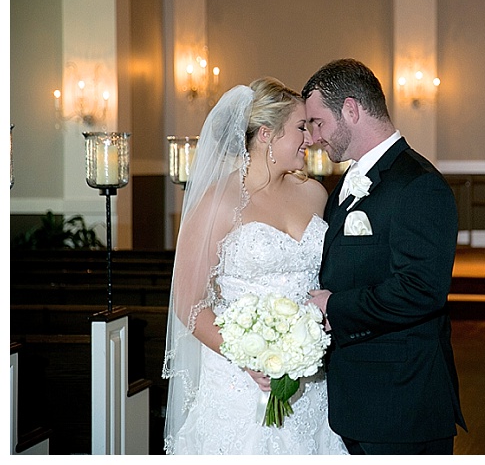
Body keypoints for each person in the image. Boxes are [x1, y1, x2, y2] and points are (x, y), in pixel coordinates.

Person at [162, 77, 348, 455]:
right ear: (266, 134)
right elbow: (188, 303)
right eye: (300, 128)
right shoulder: (219, 202)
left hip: (308, 379)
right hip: (239, 384)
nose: (309, 138)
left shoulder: (315, 194)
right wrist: (251, 358)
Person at [302, 58, 467, 455]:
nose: (312, 137)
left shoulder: (419, 185)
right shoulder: (347, 182)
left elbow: (422, 290)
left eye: (317, 123)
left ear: (352, 110)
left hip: (402, 407)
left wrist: (334, 307)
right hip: (356, 403)